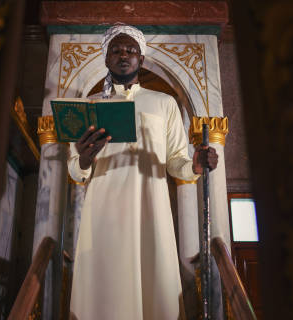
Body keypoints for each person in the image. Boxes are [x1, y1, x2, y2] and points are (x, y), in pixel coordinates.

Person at [67, 24, 218, 320]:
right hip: (103, 212)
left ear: (142, 59)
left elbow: (176, 160)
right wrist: (84, 159)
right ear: (106, 58)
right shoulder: (89, 105)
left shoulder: (164, 104)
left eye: (131, 50)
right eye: (117, 50)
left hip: (151, 209)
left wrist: (196, 165)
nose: (124, 55)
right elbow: (75, 171)